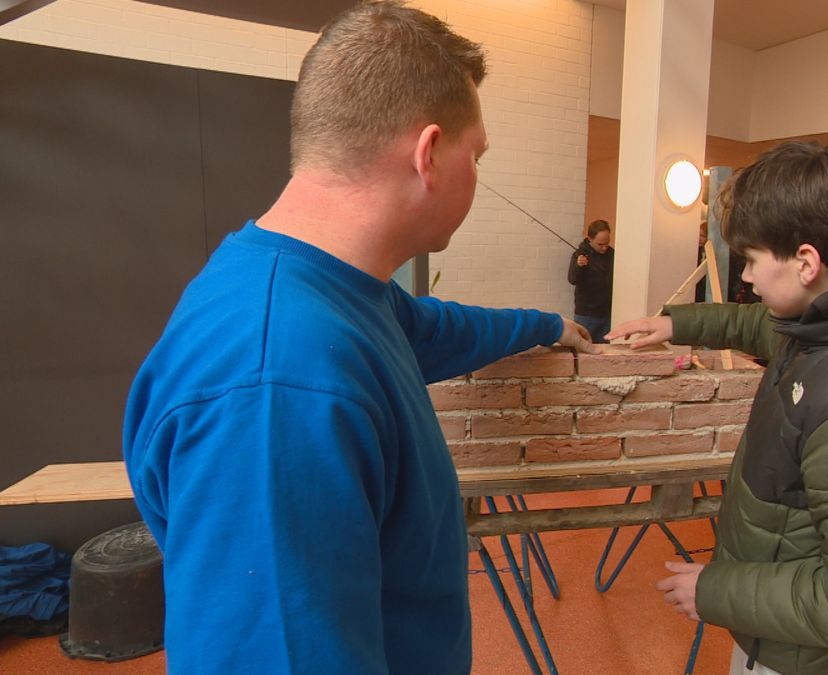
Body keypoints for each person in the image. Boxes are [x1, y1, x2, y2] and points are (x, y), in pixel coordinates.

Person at [122, 3, 596, 673]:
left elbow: (441, 327)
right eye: (476, 154)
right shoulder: (278, 388)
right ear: (430, 154)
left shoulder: (341, 296)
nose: (477, 175)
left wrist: (549, 325)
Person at [608, 141, 828, 675]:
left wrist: (719, 591)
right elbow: (759, 325)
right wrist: (677, 325)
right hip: (779, 624)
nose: (746, 277)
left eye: (754, 260)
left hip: (800, 654)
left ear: (806, 262)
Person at [568, 219, 615, 341]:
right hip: (586, 314)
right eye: (600, 244)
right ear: (590, 239)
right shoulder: (580, 255)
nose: (604, 247)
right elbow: (572, 279)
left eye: (607, 243)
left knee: (605, 352)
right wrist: (579, 266)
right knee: (583, 348)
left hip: (608, 313)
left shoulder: (612, 254)